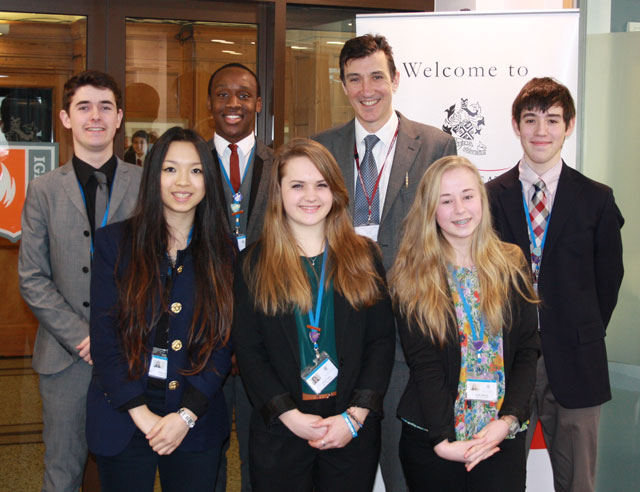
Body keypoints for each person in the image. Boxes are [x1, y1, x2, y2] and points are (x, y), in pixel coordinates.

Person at [312, 33, 457, 492]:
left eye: (376, 76)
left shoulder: (435, 144)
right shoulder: (322, 148)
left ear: (395, 79)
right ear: (342, 85)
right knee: (338, 471)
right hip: (333, 328)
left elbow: (448, 230)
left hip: (406, 337)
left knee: (402, 471)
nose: (366, 89)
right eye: (354, 79)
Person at [232, 138, 395, 492]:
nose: (310, 196)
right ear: (279, 193)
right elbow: (249, 350)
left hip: (350, 430)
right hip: (281, 430)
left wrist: (355, 417)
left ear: (335, 191)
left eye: (321, 185)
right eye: (297, 185)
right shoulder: (253, 264)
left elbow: (381, 342)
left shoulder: (364, 257)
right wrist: (289, 415)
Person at [486, 77, 624, 492]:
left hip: (577, 361)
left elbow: (608, 281)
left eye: (552, 120)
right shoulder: (489, 197)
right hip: (506, 360)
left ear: (570, 125)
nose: (541, 131)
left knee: (578, 482)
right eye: (531, 120)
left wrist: (580, 329)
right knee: (501, 478)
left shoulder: (596, 199)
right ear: (516, 125)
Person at [87, 126, 235, 491]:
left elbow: (224, 341)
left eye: (196, 170)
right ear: (153, 176)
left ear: (208, 181)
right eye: (170, 169)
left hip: (194, 414)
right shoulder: (114, 244)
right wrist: (142, 415)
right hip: (123, 411)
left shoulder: (226, 253)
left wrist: (184, 416)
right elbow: (104, 337)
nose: (182, 181)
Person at [18, 70, 142, 492]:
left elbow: (157, 270)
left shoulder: (146, 186)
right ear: (66, 118)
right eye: (84, 107)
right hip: (64, 359)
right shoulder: (42, 190)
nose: (95, 116)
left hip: (131, 354)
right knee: (62, 471)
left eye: (105, 107)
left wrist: (113, 335)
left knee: (131, 471)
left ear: (119, 117)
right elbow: (32, 277)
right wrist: (83, 336)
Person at [390, 155, 540, 491]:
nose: (460, 209)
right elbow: (424, 365)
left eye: (468, 196)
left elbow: (528, 351)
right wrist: (442, 440)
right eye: (446, 200)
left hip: (500, 438)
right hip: (435, 439)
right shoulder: (411, 277)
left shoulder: (512, 262)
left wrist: (509, 420)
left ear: (482, 201)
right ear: (431, 210)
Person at [207, 62, 274, 492]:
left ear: (258, 104)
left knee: (261, 450)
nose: (233, 104)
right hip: (202, 333)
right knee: (205, 451)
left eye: (244, 95)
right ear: (211, 102)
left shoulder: (283, 165)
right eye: (223, 94)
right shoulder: (186, 162)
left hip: (266, 333)